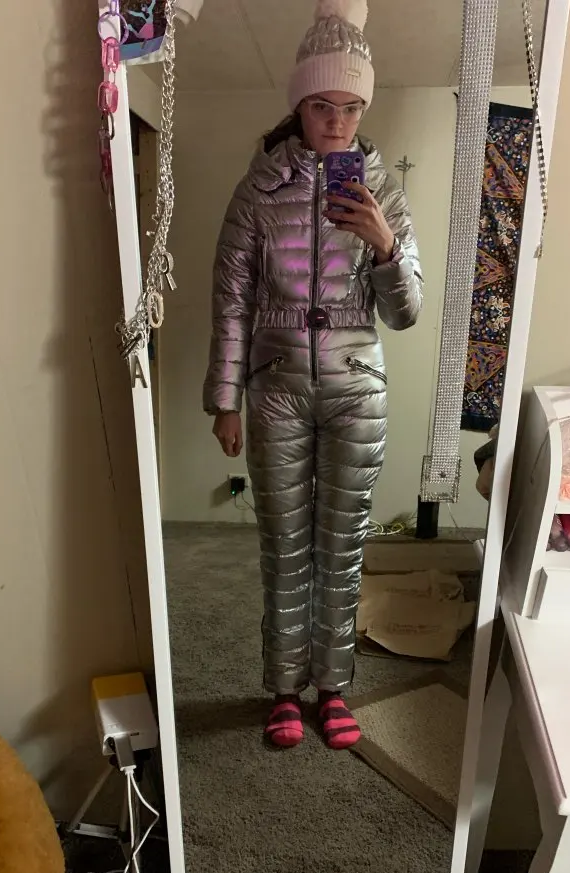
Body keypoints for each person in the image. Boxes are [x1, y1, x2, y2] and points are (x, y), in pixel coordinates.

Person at [202, 0, 424, 750]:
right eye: (323, 105)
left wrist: (385, 245)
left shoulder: (383, 192)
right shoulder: (257, 191)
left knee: (343, 547)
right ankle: (283, 692)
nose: (338, 122)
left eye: (352, 108)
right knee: (284, 546)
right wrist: (224, 400)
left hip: (358, 387)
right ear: (299, 104)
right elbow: (231, 300)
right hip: (275, 390)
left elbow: (406, 313)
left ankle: (333, 688)